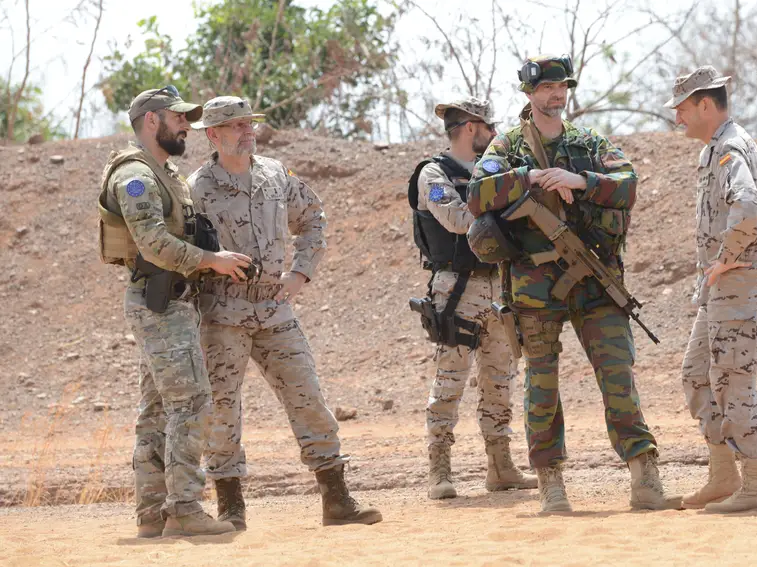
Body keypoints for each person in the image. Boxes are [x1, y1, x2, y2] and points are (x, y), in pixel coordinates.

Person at [466, 55, 675, 513]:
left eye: (562, 87)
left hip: (596, 281)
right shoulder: (507, 148)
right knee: (542, 382)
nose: (556, 95)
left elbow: (628, 185)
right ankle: (550, 481)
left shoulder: (589, 142)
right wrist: (529, 177)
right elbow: (476, 195)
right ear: (528, 94)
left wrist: (580, 180)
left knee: (618, 375)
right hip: (534, 285)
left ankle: (644, 474)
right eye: (546, 88)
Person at [187, 96, 382, 527]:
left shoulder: (275, 174)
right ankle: (231, 508)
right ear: (213, 135)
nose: (246, 131)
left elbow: (313, 218)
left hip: (275, 309)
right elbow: (183, 252)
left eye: (249, 123)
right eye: (235, 125)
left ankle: (337, 499)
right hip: (222, 312)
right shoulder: (196, 188)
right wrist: (210, 262)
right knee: (222, 409)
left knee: (308, 397)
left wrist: (301, 274)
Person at [97, 86, 251, 537]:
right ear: (151, 121)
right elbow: (153, 244)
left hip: (169, 300)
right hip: (160, 303)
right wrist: (212, 260)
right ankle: (183, 508)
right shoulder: (136, 175)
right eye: (178, 117)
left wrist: (213, 255)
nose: (186, 125)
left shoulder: (165, 173)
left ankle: (151, 515)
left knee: (158, 410)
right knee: (191, 402)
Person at [665, 66, 757, 512]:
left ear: (704, 104)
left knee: (732, 376)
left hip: (742, 279)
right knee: (697, 373)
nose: (678, 118)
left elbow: (748, 207)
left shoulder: (730, 148)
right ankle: (724, 474)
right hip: (724, 284)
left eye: (682, 109)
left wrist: (724, 258)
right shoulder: (714, 150)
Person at [408, 96, 537, 500]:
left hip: (498, 286)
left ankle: (501, 466)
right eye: (487, 127)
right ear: (469, 128)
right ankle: (439, 470)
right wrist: (504, 210)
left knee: (500, 377)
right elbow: (458, 220)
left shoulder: (491, 171)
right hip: (456, 288)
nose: (494, 134)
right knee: (450, 378)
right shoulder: (433, 173)